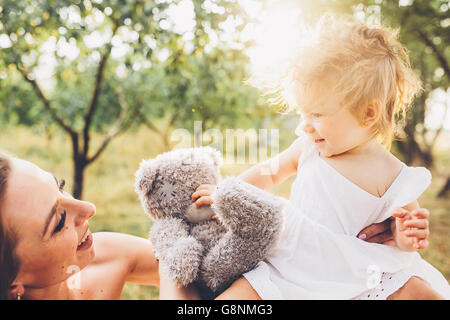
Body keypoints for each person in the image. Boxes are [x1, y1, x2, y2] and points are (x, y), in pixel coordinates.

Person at [182, 16, 450, 300]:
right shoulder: (309, 147)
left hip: (354, 274)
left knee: (419, 293)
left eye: (317, 114)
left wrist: (405, 236)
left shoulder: (392, 173)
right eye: (303, 113)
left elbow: (401, 230)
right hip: (289, 262)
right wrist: (228, 195)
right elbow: (269, 172)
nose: (305, 125)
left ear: (368, 113)